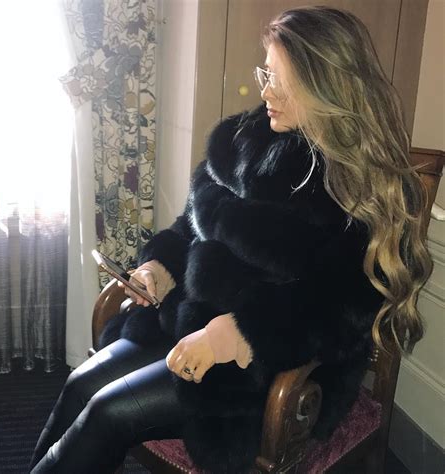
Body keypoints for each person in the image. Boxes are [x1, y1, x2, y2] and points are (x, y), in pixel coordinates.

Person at [29, 5, 433, 473]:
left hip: (265, 366)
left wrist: (241, 333)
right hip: (190, 321)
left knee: (106, 412)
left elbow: (343, 308)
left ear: (326, 85)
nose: (265, 90)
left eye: (281, 79)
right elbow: (189, 227)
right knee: (81, 383)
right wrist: (159, 268)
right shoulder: (242, 140)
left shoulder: (359, 185)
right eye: (266, 72)